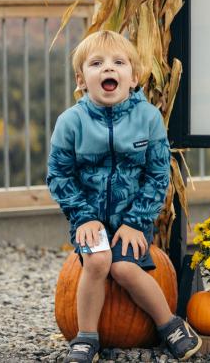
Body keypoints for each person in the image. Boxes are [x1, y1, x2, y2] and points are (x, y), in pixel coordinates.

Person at [47, 31, 201, 362]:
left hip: (134, 219)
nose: (108, 69)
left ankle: (169, 324)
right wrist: (83, 217)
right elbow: (59, 175)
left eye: (119, 63)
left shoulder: (148, 119)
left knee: (125, 269)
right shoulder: (71, 123)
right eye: (97, 63)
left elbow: (158, 174)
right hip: (88, 220)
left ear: (132, 78)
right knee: (99, 260)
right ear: (81, 79)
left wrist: (136, 222)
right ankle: (86, 337)